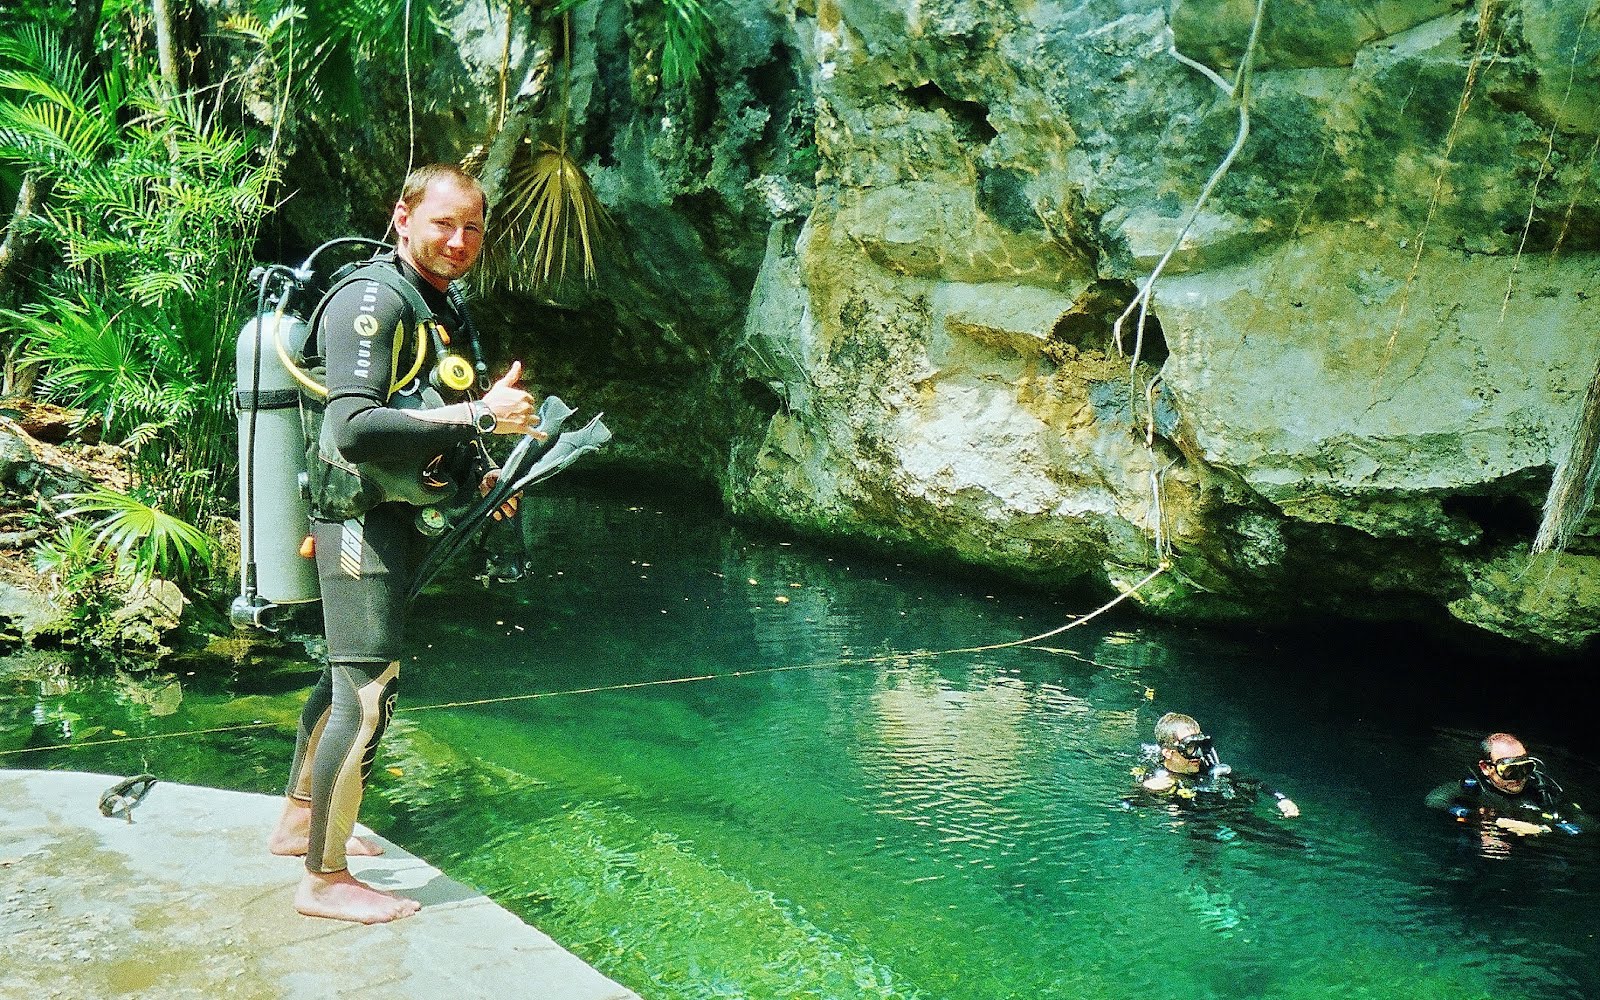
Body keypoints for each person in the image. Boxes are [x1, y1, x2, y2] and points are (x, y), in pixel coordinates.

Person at [265, 163, 536, 923]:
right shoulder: (371, 299)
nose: (459, 240)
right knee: (367, 690)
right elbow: (352, 427)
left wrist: (486, 470)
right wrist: (479, 417)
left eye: (473, 227)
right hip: (359, 519)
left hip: (393, 515)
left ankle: (297, 820)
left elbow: (433, 406)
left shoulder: (439, 304)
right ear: (403, 217)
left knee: (352, 672)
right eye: (444, 223)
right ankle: (324, 878)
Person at [1131, 711, 1300, 819]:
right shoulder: (1154, 776)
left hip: (1224, 810)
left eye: (1200, 746)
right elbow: (1127, 805)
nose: (1198, 754)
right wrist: (1145, 792)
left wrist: (1281, 798)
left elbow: (1253, 782)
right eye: (1190, 747)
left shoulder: (1208, 765)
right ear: (1168, 752)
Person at [1425, 732, 1592, 837]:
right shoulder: (1472, 790)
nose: (1520, 777)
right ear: (1486, 768)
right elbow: (1434, 801)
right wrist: (1483, 820)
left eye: (1526, 768)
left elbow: (1588, 824)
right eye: (1510, 771)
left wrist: (1543, 829)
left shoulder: (1542, 792)